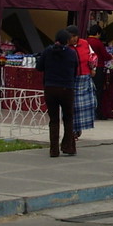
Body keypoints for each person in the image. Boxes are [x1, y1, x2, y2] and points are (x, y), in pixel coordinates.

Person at [35, 29, 78, 157]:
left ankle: (54, 149)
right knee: (68, 118)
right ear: (67, 40)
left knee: (53, 119)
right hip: (67, 88)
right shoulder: (71, 53)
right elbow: (75, 70)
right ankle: (68, 146)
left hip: (50, 88)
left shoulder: (48, 51)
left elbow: (39, 67)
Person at [66, 25, 97, 138]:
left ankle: (78, 129)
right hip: (71, 79)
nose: (73, 39)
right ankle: (72, 129)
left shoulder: (85, 43)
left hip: (84, 78)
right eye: (71, 36)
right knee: (72, 105)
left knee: (85, 106)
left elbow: (92, 56)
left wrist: (93, 67)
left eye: (75, 36)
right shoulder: (65, 46)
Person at [87, 24, 112, 119]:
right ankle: (97, 112)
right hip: (98, 68)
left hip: (87, 68)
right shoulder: (98, 43)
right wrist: (111, 56)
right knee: (98, 90)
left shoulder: (85, 42)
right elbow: (105, 56)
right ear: (97, 33)